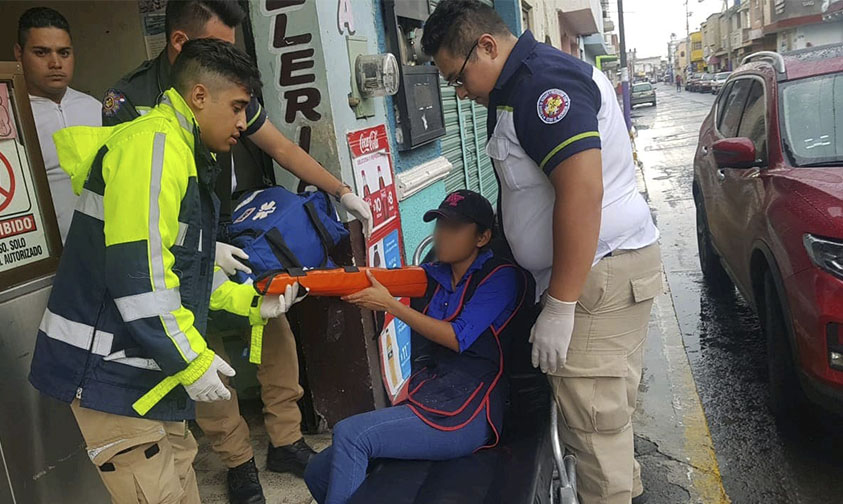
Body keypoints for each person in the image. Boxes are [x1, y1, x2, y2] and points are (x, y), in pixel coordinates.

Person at [103, 2, 372, 502]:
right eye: (221, 48)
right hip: (179, 240)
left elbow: (282, 149)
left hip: (237, 229)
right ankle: (238, 461)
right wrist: (198, 245)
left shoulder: (228, 88)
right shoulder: (133, 98)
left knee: (271, 325)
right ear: (182, 44)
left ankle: (287, 440)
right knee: (206, 349)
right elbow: (130, 196)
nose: (232, 61)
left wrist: (340, 190)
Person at [28, 38, 303, 504]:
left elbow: (181, 272)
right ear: (199, 96)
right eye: (237, 107)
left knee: (181, 482)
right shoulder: (153, 147)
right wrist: (193, 361)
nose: (243, 123)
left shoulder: (182, 151)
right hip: (108, 372)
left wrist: (252, 302)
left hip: (145, 369)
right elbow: (142, 280)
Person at [421, 2, 662, 503]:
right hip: (597, 272)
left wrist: (561, 304)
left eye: (458, 78)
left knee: (593, 428)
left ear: (486, 45)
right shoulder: (513, 88)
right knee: (604, 420)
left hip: (595, 276)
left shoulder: (540, 86)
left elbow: (581, 191)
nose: (460, 93)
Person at [304, 190, 527, 504]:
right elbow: (368, 280)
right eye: (439, 226)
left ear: (482, 237)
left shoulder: (501, 278)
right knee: (317, 471)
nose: (442, 235)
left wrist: (391, 306)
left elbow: (457, 337)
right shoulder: (435, 274)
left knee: (351, 435)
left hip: (466, 414)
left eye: (454, 228)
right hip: (433, 397)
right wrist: (302, 286)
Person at [14, 7, 101, 243]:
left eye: (64, 53)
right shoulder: (10, 116)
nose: (55, 63)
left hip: (102, 250)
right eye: (41, 52)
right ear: (19, 54)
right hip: (42, 256)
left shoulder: (95, 109)